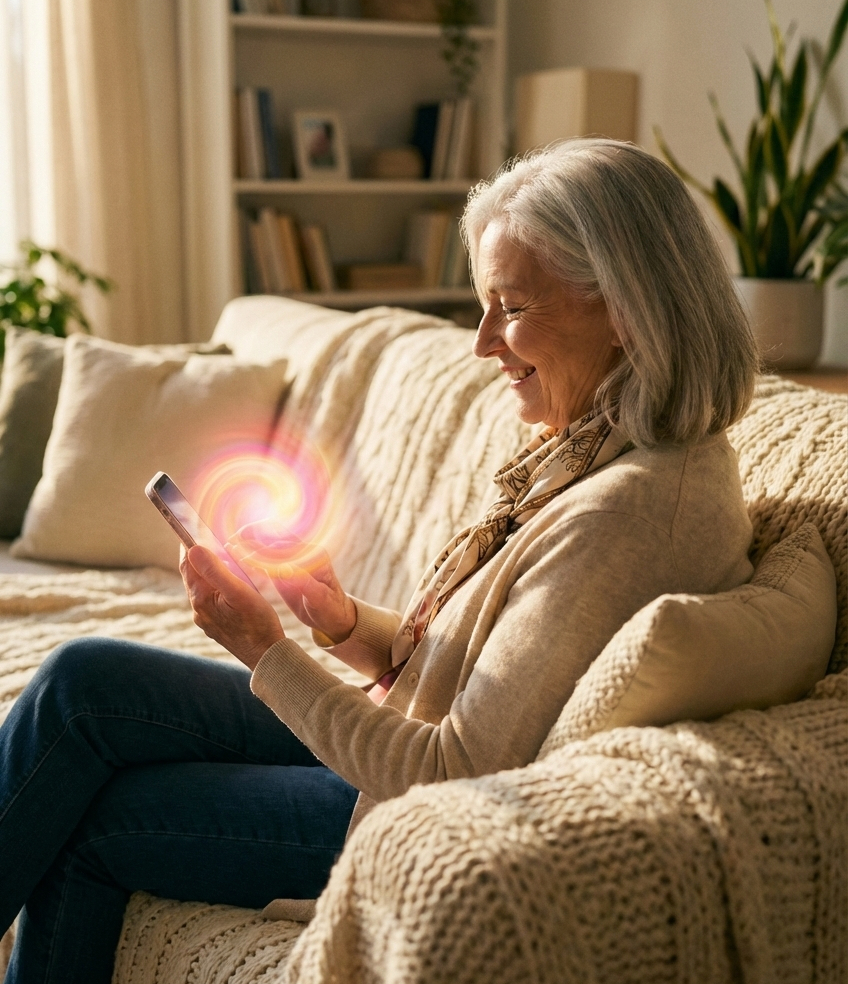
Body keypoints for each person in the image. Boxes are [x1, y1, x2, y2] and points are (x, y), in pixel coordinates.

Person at [0, 139, 758, 982]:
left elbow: (450, 773)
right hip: (394, 733)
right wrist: (342, 621)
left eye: (510, 306)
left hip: (398, 805)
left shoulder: (631, 512)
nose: (482, 343)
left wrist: (264, 648)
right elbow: (476, 672)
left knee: (99, 820)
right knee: (81, 680)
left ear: (623, 307)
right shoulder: (588, 448)